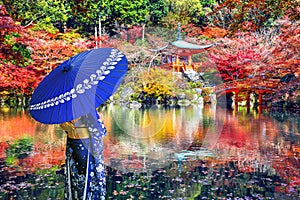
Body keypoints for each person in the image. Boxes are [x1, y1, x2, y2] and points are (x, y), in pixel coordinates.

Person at [60, 111, 106, 200]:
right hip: (84, 144)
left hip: (72, 143)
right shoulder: (85, 105)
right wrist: (99, 118)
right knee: (86, 179)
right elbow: (99, 131)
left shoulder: (65, 108)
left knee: (74, 179)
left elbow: (64, 126)